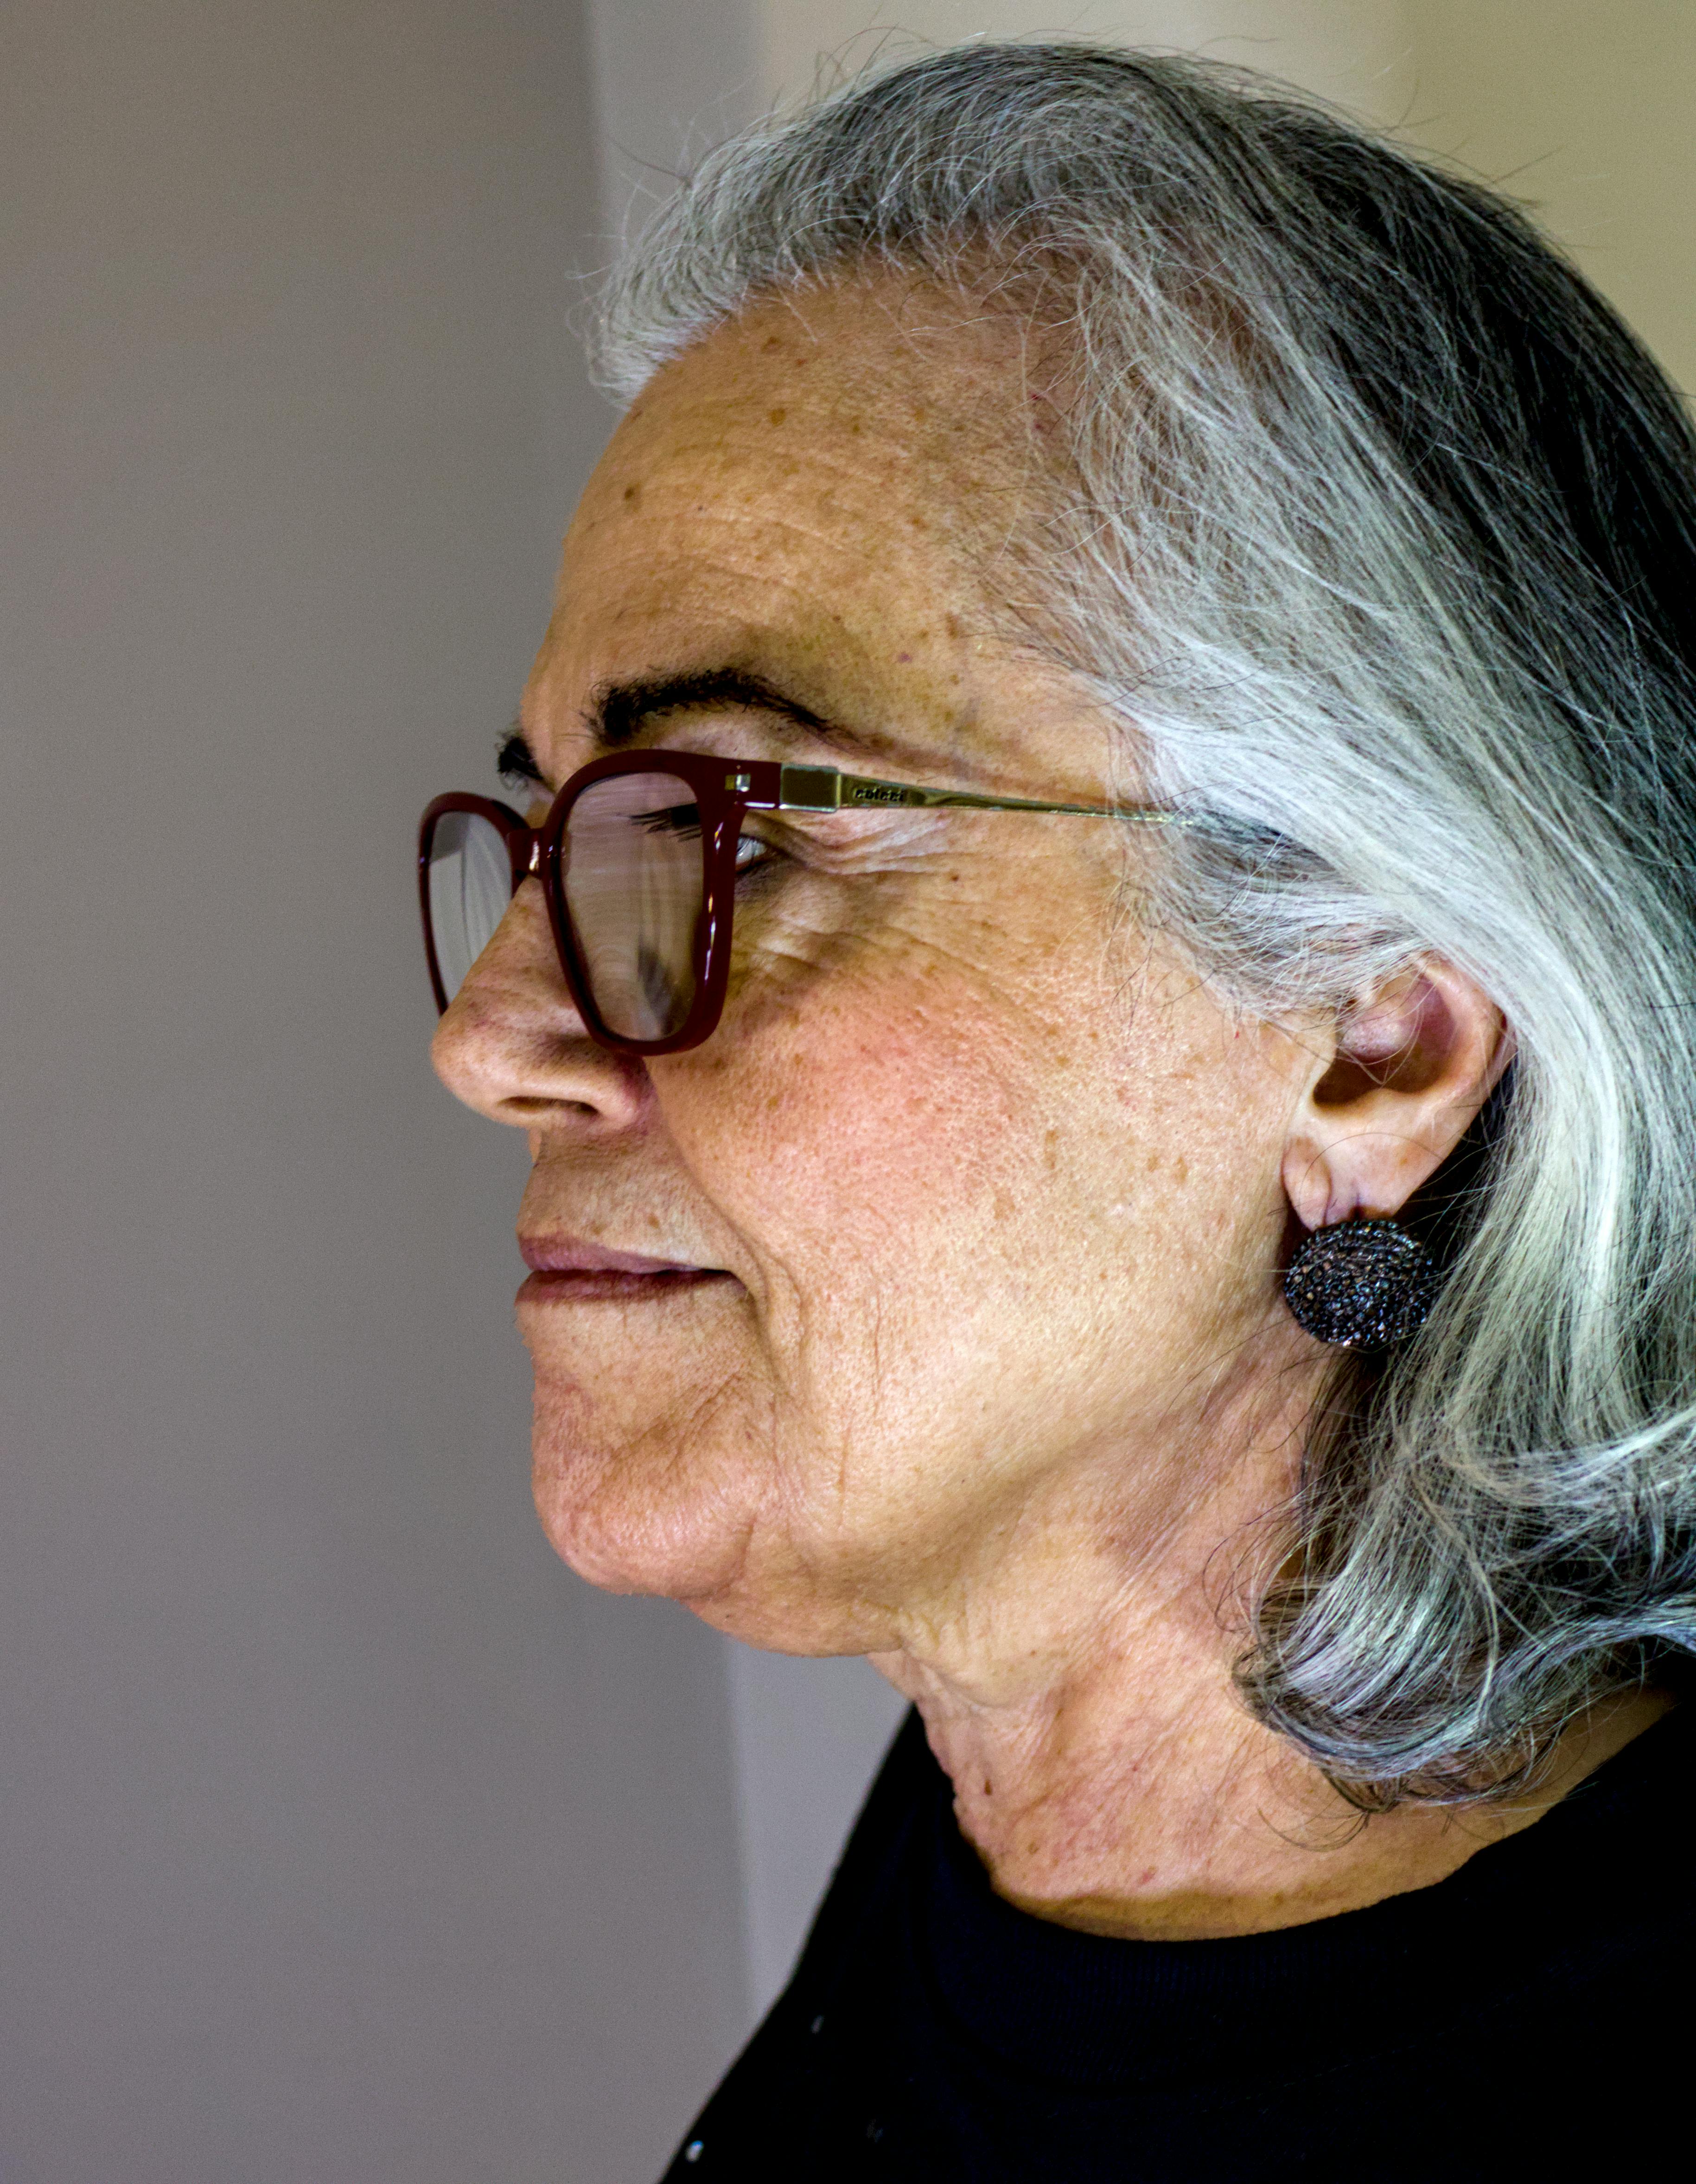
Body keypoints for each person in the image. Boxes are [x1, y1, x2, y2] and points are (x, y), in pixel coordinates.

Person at [419, 43, 1696, 2179]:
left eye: (725, 825)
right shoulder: (1010, 1812)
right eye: (553, 831)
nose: (492, 1030)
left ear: (1373, 1041)